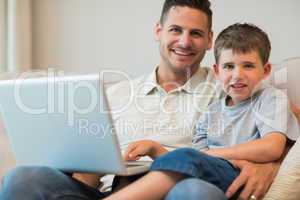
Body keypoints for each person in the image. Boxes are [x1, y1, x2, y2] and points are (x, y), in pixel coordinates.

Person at [0, 0, 298, 199]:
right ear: (158, 31)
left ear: (209, 40)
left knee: (196, 192)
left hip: (179, 190)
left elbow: (284, 125)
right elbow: (88, 175)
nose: (184, 41)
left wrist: (272, 166)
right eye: (175, 30)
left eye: (195, 33)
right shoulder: (115, 94)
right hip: (114, 189)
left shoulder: (230, 85)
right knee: (22, 179)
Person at [104, 23, 300, 200]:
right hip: (211, 178)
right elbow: (194, 162)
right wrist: (155, 148)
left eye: (248, 66)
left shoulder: (270, 98)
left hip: (241, 176)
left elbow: (271, 147)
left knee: (187, 158)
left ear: (265, 70)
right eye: (229, 66)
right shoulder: (211, 111)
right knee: (184, 178)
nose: (237, 75)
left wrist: (213, 155)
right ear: (217, 71)